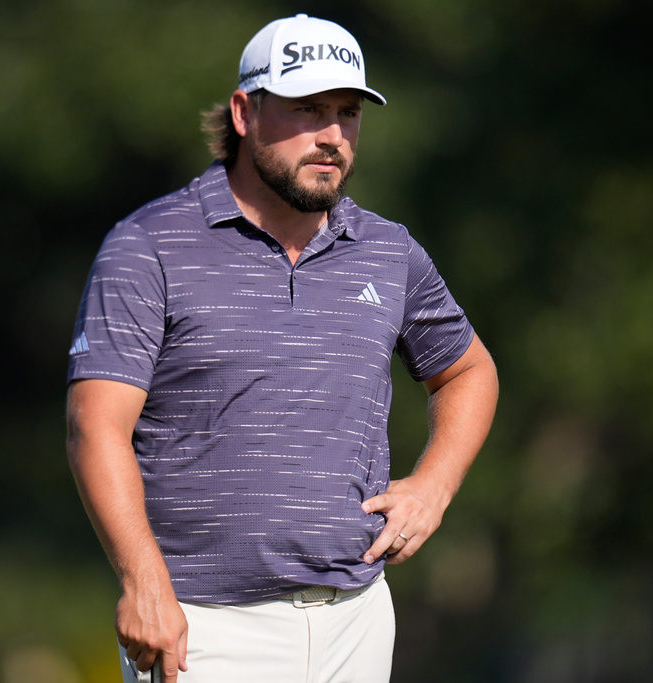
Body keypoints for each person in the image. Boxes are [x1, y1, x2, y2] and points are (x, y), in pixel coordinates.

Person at [66, 13, 498, 683]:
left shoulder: (388, 251)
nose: (332, 136)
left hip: (355, 617)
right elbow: (95, 425)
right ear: (244, 112)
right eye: (308, 111)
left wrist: (434, 487)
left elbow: (468, 370)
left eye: (347, 113)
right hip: (200, 624)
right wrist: (143, 580)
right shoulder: (150, 246)